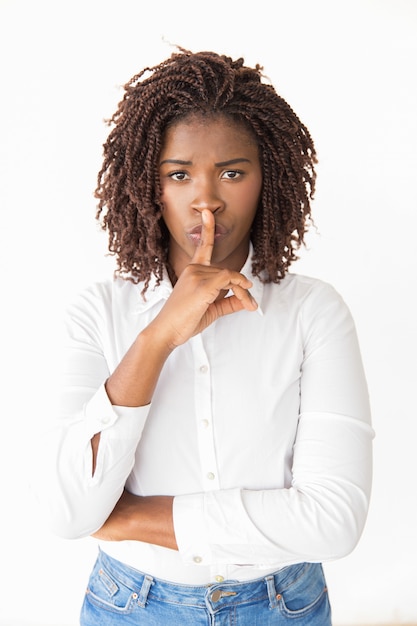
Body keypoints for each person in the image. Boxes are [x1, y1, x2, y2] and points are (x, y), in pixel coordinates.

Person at [37, 48, 374, 625]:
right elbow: (65, 509)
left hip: (283, 606)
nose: (207, 198)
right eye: (179, 173)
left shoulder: (313, 312)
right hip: (130, 608)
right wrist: (160, 334)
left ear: (268, 180)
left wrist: (125, 518)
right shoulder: (97, 313)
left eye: (233, 172)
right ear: (149, 184)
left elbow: (333, 521)